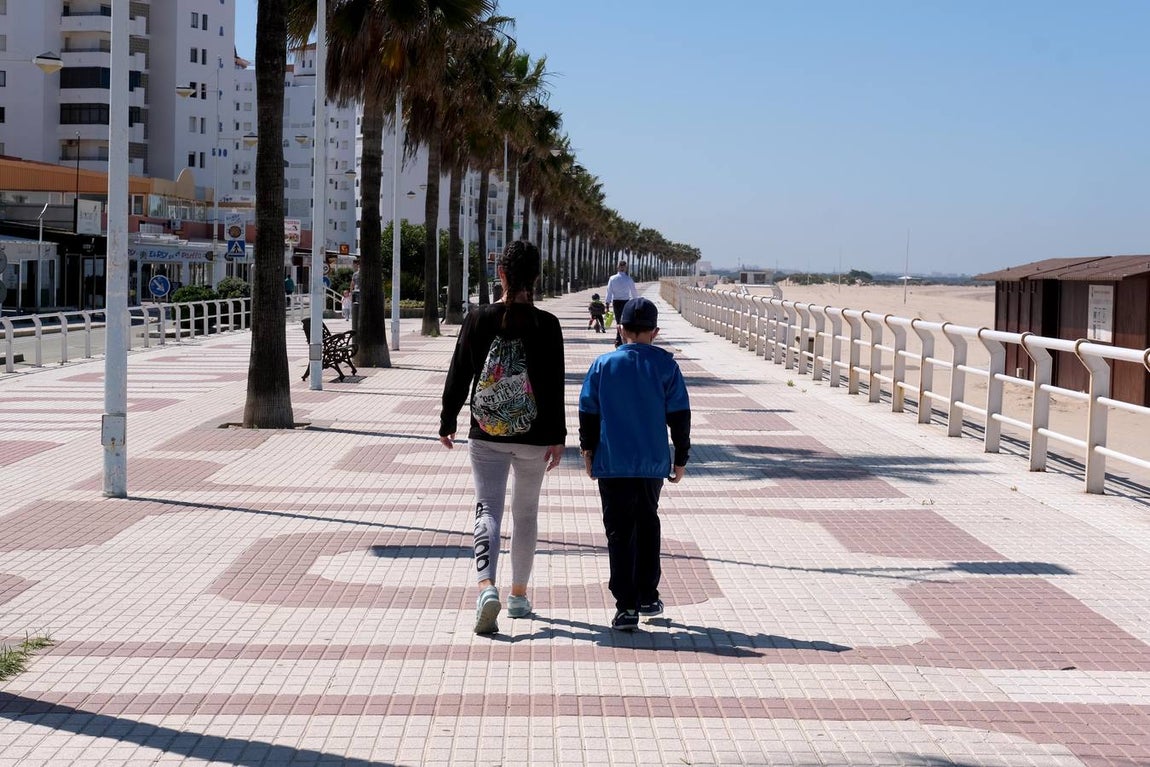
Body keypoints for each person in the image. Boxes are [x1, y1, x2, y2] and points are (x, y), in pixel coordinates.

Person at [439, 240, 566, 635]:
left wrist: (448, 419)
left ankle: (485, 588)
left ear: (502, 275)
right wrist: (558, 435)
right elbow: (555, 386)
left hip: (486, 433)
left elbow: (459, 373)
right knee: (525, 514)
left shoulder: (478, 319)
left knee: (487, 509)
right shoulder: (548, 324)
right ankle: (518, 595)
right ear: (536, 278)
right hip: (535, 436)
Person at [578, 297, 691, 631]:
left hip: (612, 462)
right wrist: (681, 458)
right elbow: (679, 416)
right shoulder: (666, 366)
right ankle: (647, 595)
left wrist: (587, 450)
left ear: (621, 328)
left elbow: (588, 411)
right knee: (647, 524)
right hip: (650, 465)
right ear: (655, 332)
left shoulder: (603, 365)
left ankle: (625, 606)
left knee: (618, 531)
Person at [604, 260, 639, 348]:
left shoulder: (612, 278)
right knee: (624, 321)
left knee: (618, 321)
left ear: (617, 267)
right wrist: (636, 302)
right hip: (626, 302)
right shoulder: (628, 279)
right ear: (625, 268)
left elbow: (609, 292)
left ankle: (618, 339)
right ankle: (620, 339)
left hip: (616, 302)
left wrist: (607, 304)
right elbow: (634, 292)